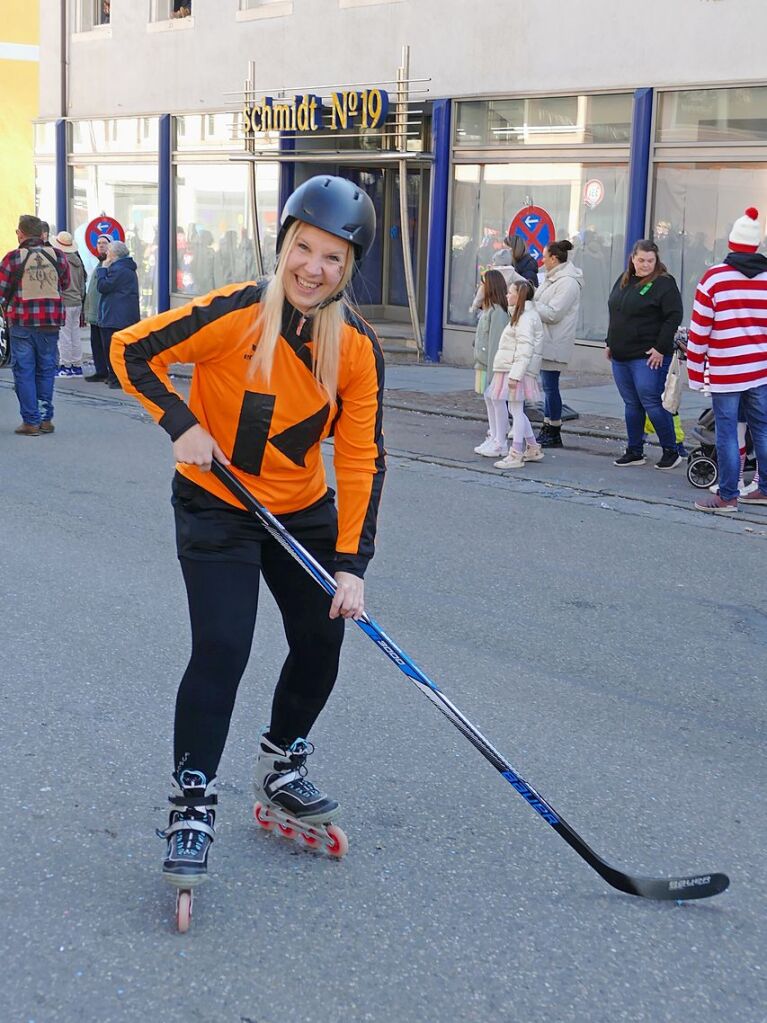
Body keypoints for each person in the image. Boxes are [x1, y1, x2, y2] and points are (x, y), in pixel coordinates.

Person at [110, 175, 384, 890]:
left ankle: (283, 761)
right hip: (216, 506)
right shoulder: (233, 314)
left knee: (323, 636)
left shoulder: (354, 348)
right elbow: (130, 351)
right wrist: (181, 423)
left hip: (301, 512)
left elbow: (359, 457)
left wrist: (351, 564)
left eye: (332, 257)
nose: (313, 268)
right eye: (304, 248)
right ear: (284, 243)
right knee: (224, 645)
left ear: (347, 268)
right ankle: (192, 799)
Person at [686, 207, 767, 512]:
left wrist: (696, 373)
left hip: (726, 370)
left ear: (731, 244)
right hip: (761, 369)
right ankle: (764, 488)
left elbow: (699, 332)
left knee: (728, 433)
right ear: (756, 245)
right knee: (762, 429)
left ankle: (728, 496)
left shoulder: (714, 278)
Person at [605, 240, 684, 469]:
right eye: (641, 260)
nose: (646, 265)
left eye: (651, 260)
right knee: (631, 403)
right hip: (621, 354)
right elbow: (615, 311)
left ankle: (670, 450)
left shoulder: (664, 283)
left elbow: (673, 316)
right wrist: (610, 342)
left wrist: (660, 348)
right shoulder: (624, 279)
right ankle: (635, 450)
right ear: (633, 258)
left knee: (651, 402)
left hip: (647, 355)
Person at [0, 214, 70, 435]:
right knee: (46, 370)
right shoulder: (57, 256)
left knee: (24, 371)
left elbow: (1, 289)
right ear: (42, 234)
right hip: (50, 323)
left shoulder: (13, 258)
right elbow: (66, 284)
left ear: (20, 233)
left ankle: (31, 421)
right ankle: (46, 418)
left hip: (22, 322)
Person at [489, 279, 545, 470]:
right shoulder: (524, 316)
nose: (506, 295)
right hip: (515, 369)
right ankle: (532, 447)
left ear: (518, 295)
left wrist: (515, 375)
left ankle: (516, 453)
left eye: (510, 292)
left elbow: (524, 349)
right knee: (516, 410)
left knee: (516, 411)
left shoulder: (525, 318)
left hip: (515, 370)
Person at [533, 240, 583, 447]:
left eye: (544, 256)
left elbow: (554, 313)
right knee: (548, 386)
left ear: (554, 258)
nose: (542, 260)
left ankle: (554, 430)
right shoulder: (553, 278)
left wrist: (530, 304)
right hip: (546, 339)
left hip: (555, 340)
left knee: (550, 386)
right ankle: (548, 426)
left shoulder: (567, 282)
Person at [96, 240, 140, 389]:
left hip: (115, 316)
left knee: (112, 348)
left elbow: (103, 286)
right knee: (121, 349)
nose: (106, 254)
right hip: (123, 315)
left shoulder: (118, 269)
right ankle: (117, 376)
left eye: (108, 251)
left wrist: (102, 269)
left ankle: (116, 378)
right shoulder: (127, 268)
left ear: (114, 254)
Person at [472, 268, 508, 405]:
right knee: (489, 402)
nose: (481, 288)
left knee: (496, 403)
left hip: (490, 366)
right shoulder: (488, 309)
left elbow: (495, 344)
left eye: (483, 285)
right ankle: (493, 427)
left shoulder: (498, 311)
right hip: (482, 363)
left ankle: (498, 427)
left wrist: (493, 374)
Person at [53, 231, 87, 377]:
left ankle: (65, 365)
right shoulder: (78, 261)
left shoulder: (61, 261)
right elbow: (82, 282)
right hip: (77, 301)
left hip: (65, 301)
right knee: (75, 334)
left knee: (64, 335)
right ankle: (77, 365)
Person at [83, 234, 112, 381]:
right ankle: (101, 371)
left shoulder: (111, 264)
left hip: (105, 313)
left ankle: (110, 372)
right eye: (99, 243)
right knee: (96, 344)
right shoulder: (99, 264)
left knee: (107, 345)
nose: (101, 245)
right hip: (95, 313)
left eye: (104, 243)